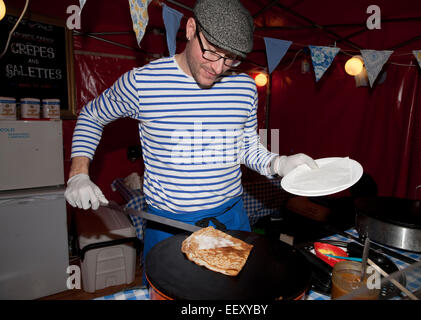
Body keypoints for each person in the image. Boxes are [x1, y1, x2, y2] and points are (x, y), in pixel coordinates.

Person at [64, 0, 318, 284]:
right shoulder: (144, 82)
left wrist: (277, 162)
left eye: (231, 58)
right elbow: (91, 116)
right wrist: (79, 173)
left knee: (233, 294)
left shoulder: (244, 87)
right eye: (211, 52)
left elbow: (245, 145)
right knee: (175, 293)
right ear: (190, 28)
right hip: (169, 224)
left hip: (230, 217)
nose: (219, 67)